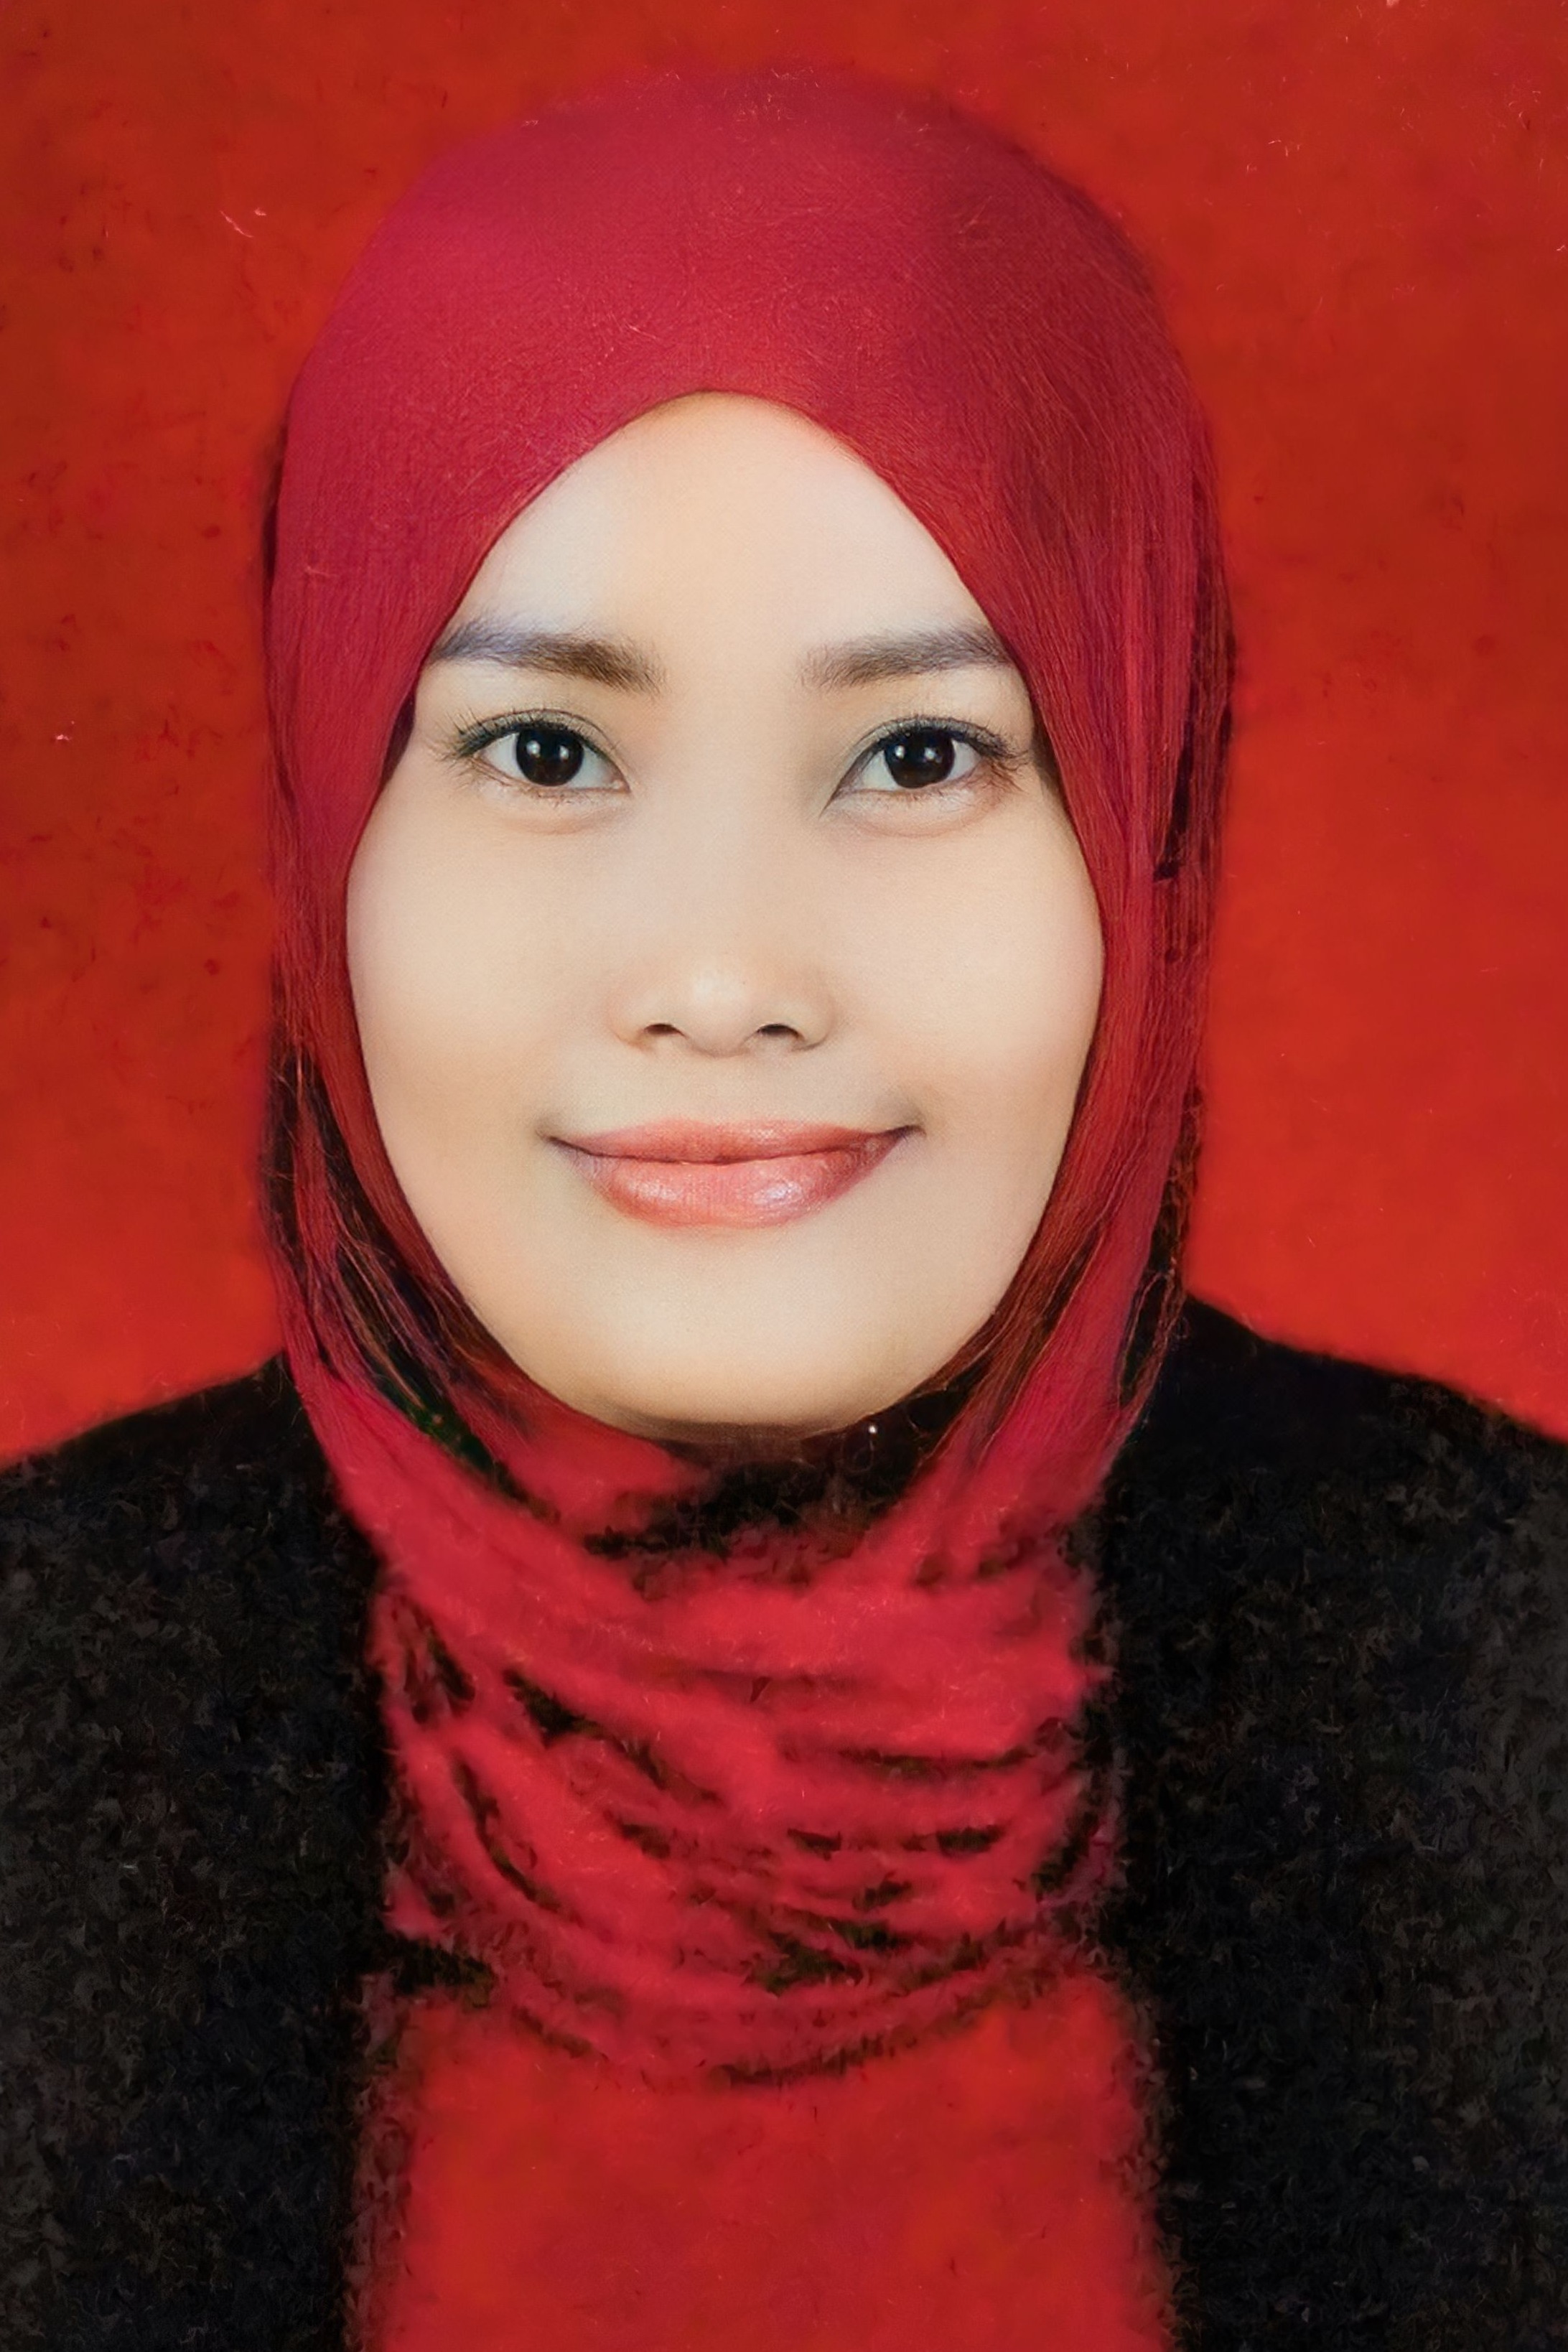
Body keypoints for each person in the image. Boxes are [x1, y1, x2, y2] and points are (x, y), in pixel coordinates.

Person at [3, 66, 1565, 2352]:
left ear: (1143, 817)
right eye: (545, 752)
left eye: (921, 755)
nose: (724, 974)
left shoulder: (1507, 1668)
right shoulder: (44, 1698)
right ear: (331, 817)